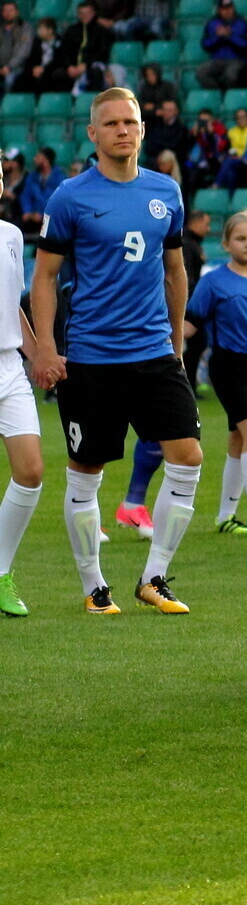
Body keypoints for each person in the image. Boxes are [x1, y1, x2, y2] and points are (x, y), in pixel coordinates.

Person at [29, 88, 203, 616]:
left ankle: (154, 577)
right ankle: (93, 586)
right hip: (91, 358)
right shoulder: (70, 196)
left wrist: (176, 343)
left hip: (153, 353)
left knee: (188, 458)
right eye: (111, 123)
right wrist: (45, 348)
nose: (122, 130)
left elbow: (175, 271)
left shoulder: (165, 191)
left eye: (130, 121)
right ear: (93, 133)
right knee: (86, 471)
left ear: (143, 129)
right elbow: (45, 276)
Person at [187, 210, 247, 538]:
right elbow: (191, 321)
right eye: (240, 238)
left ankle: (225, 516)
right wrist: (168, 347)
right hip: (228, 365)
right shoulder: (213, 281)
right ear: (226, 243)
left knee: (239, 438)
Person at [0, 200, 42, 617]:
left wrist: (38, 356)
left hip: (10, 368)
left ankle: (0, 573)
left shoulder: (11, 235)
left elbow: (11, 304)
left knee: (30, 473)